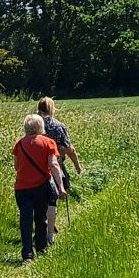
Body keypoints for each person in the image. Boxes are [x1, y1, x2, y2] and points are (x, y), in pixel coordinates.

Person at [13, 114, 66, 263]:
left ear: (26, 127)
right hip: (41, 187)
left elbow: (16, 166)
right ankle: (42, 247)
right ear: (40, 127)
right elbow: (54, 165)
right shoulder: (48, 142)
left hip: (22, 188)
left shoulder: (19, 144)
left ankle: (27, 253)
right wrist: (61, 186)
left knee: (25, 219)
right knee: (41, 217)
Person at [37, 97, 83, 244]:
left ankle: (44, 221)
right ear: (52, 109)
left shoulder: (33, 124)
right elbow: (69, 149)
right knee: (56, 192)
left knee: (39, 195)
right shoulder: (58, 126)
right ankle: (50, 226)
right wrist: (77, 165)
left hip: (35, 165)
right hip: (55, 164)